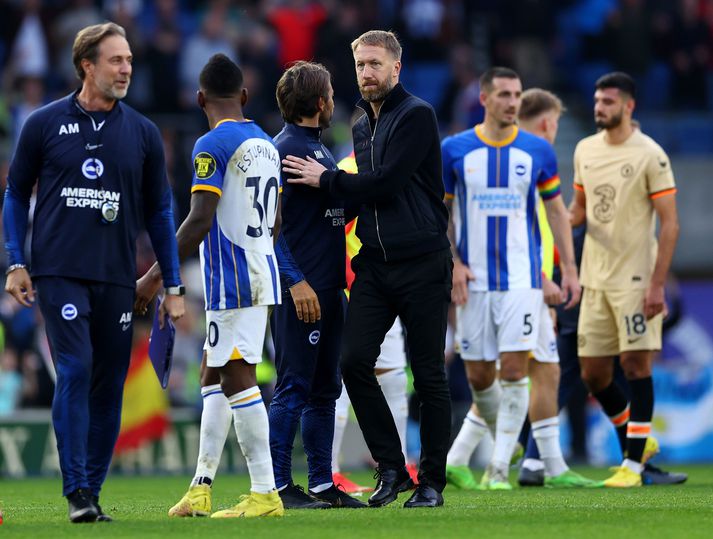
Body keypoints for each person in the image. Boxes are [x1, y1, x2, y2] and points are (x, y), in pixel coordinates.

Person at [2, 22, 185, 523]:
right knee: (76, 369)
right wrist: (17, 261)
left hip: (117, 278)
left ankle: (92, 494)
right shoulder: (43, 123)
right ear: (87, 64)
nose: (126, 68)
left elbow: (162, 213)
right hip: (59, 270)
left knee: (108, 385)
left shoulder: (144, 134)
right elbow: (16, 193)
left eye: (128, 60)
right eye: (115, 60)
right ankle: (75, 490)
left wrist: (173, 284)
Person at [283, 30, 452, 508]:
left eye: (375, 64)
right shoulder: (360, 124)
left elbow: (386, 184)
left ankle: (432, 483)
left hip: (422, 261)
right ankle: (392, 466)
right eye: (360, 65)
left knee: (429, 375)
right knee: (353, 362)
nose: (367, 73)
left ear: (397, 68)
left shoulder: (417, 115)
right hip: (375, 265)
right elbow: (364, 193)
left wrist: (327, 181)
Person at [135, 53, 283, 517]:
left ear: (200, 98)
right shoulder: (266, 142)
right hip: (259, 268)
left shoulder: (210, 145)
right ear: (243, 95)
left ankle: (265, 492)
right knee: (212, 373)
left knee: (238, 377)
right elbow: (276, 220)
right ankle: (201, 485)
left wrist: (155, 276)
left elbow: (199, 220)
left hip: (234, 277)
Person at [441, 67, 581, 490]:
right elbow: (440, 213)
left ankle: (498, 468)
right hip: (475, 282)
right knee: (481, 376)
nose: (512, 101)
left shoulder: (537, 151)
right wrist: (453, 263)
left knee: (518, 370)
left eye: (517, 94)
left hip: (522, 281)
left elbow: (557, 211)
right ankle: (487, 452)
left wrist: (569, 269)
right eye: (503, 94)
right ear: (484, 99)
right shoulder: (454, 150)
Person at [569, 72, 679, 488]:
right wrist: (555, 219)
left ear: (629, 106)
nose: (599, 108)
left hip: (635, 279)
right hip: (594, 277)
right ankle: (640, 438)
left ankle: (633, 465)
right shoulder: (585, 149)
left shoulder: (650, 154)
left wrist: (656, 284)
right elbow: (580, 210)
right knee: (593, 374)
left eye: (608, 102)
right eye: (597, 101)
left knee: (635, 365)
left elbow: (670, 225)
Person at [269, 61, 364, 509]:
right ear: (321, 101)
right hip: (301, 292)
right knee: (293, 386)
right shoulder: (281, 150)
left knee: (325, 388)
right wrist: (295, 281)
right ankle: (280, 486)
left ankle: (323, 483)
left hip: (329, 291)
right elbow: (269, 226)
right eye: (330, 92)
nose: (333, 100)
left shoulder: (319, 149)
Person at [331, 152, 416, 494]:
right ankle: (331, 469)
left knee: (394, 375)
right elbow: (335, 228)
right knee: (341, 377)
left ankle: (400, 462)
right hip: (356, 286)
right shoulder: (346, 171)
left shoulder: (393, 167)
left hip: (387, 284)